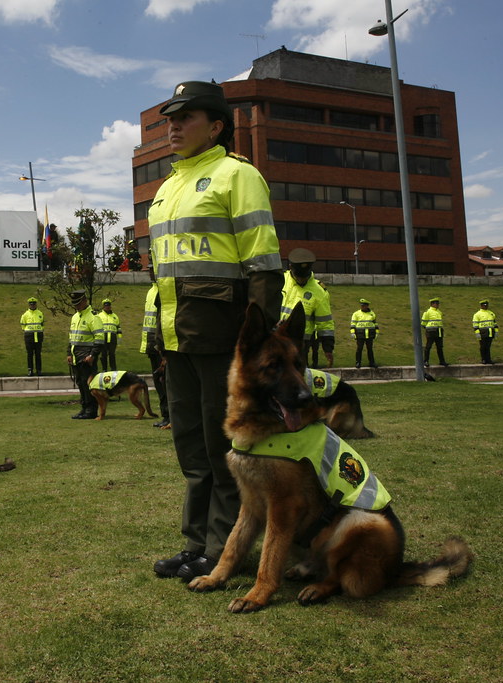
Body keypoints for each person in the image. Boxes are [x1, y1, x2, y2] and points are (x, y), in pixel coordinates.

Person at [148, 80, 284, 581]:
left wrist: (260, 344)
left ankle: (225, 549)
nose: (174, 127)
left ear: (217, 126)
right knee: (190, 445)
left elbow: (263, 265)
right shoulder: (166, 188)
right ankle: (196, 542)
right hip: (177, 335)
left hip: (222, 335)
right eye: (170, 119)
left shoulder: (236, 175)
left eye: (186, 118)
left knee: (222, 445)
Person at [280, 248, 335, 369]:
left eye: (304, 276)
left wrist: (328, 348)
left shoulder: (319, 292)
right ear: (290, 267)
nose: (301, 279)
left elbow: (325, 323)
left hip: (300, 344)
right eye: (298, 276)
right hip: (276, 339)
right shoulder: (280, 280)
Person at [67, 289, 104, 419]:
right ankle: (84, 408)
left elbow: (100, 339)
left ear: (85, 301)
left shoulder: (93, 317)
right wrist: (69, 353)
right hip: (77, 357)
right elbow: (71, 337)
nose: (76, 306)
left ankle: (91, 410)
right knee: (81, 384)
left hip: (87, 358)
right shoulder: (75, 317)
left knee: (89, 385)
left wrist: (92, 355)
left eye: (78, 303)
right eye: (74, 304)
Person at [140, 280, 170, 429]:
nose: (151, 272)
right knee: (159, 383)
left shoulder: (163, 288)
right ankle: (166, 415)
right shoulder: (151, 291)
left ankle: (170, 416)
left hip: (161, 345)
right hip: (152, 344)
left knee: (165, 382)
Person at [350, 298, 379, 368]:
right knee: (359, 349)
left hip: (370, 334)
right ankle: (358, 362)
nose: (362, 307)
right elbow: (353, 324)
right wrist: (353, 332)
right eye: (361, 305)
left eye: (364, 305)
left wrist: (377, 332)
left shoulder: (372, 313)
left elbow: (375, 324)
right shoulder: (356, 314)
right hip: (360, 334)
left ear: (367, 306)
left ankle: (372, 363)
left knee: (370, 349)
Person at [20, 297, 45, 376]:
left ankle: (39, 370)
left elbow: (42, 324)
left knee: (38, 354)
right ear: (29, 305)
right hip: (29, 336)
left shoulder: (40, 313)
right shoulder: (25, 315)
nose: (32, 305)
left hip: (38, 336)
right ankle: (30, 370)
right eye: (31, 304)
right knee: (30, 354)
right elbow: (22, 325)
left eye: (34, 304)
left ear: (36, 304)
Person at [421, 296, 448, 367]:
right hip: (431, 331)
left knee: (440, 347)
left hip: (439, 331)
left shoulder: (439, 312)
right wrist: (428, 329)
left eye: (438, 303)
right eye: (436, 303)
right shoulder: (428, 312)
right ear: (432, 304)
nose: (438, 305)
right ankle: (426, 361)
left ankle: (442, 361)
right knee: (428, 346)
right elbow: (423, 323)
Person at [97, 298, 122, 371]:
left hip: (113, 338)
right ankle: (104, 369)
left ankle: (113, 369)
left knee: (112, 355)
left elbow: (119, 329)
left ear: (110, 306)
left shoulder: (115, 316)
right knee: (103, 355)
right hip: (103, 338)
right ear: (103, 306)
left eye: (108, 305)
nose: (107, 307)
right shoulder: (99, 316)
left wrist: (119, 340)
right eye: (106, 306)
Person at [472, 298, 498, 364]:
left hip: (490, 332)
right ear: (481, 306)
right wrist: (477, 333)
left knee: (488, 347)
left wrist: (496, 331)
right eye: (484, 305)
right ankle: (483, 359)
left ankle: (488, 359)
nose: (486, 306)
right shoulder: (477, 314)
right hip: (482, 332)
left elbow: (495, 323)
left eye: (486, 305)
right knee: (483, 346)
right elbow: (475, 325)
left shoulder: (491, 313)